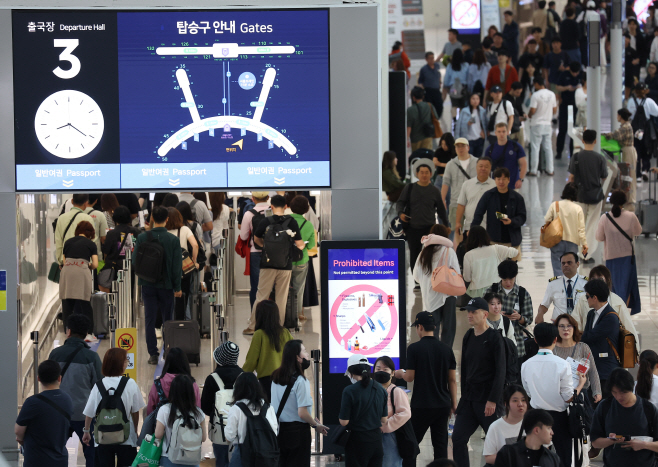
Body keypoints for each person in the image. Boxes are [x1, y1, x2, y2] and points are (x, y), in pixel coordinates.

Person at [394, 312, 457, 464]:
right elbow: (452, 380)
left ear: (420, 327)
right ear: (434, 327)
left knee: (412, 444)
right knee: (440, 445)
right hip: (442, 404)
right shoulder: (446, 349)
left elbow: (409, 377)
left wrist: (399, 373)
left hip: (421, 405)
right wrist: (453, 404)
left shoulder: (414, 348)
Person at [521, 322, 586, 467]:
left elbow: (528, 392)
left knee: (533, 458)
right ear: (555, 339)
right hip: (559, 418)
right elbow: (569, 396)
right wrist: (581, 384)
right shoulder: (562, 364)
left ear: (535, 340)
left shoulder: (526, 365)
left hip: (535, 416)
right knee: (564, 458)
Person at [452, 297, 506, 467]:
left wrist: (493, 399)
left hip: (487, 400)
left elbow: (500, 372)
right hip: (469, 398)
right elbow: (465, 369)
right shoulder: (468, 335)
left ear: (484, 314)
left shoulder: (494, 338)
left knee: (496, 443)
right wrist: (462, 396)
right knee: (458, 438)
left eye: (473, 312)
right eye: (468, 311)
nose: (469, 315)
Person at [49, 315, 102, 467]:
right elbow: (98, 386)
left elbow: (49, 381)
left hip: (59, 412)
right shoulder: (91, 356)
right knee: (91, 453)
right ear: (86, 334)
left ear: (69, 331)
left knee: (55, 450)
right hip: (85, 414)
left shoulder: (55, 354)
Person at [245, 195, 304, 332]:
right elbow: (300, 244)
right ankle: (278, 327)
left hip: (267, 264)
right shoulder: (292, 221)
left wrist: (267, 246)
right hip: (285, 265)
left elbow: (256, 240)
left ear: (271, 206)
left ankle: (253, 326)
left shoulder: (265, 221)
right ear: (285, 207)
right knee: (281, 298)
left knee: (261, 296)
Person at [132, 205, 183, 365]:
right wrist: (178, 287)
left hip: (147, 283)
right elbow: (176, 267)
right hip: (166, 285)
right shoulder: (173, 240)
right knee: (168, 318)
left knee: (149, 318)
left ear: (152, 218)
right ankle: (168, 351)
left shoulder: (142, 238)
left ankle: (152, 354)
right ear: (167, 219)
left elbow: (135, 261)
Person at [82, 348, 146, 467]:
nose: (127, 363)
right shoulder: (130, 383)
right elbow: (135, 411)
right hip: (126, 438)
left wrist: (86, 431)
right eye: (126, 360)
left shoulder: (98, 385)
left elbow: (89, 412)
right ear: (121, 365)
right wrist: (135, 430)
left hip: (102, 437)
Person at [271, 340, 328, 467]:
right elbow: (302, 413)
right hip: (298, 433)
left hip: (279, 430)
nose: (307, 355)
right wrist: (315, 425)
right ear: (298, 358)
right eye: (305, 351)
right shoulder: (301, 381)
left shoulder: (275, 377)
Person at [590, 368, 658, 465]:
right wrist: (611, 441)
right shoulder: (605, 407)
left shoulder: (648, 409)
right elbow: (595, 442)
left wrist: (644, 445)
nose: (618, 397)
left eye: (623, 392)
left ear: (631, 388)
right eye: (614, 392)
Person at [15, 360, 73, 467]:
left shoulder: (32, 402)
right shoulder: (68, 399)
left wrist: (22, 441)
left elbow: (18, 431)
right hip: (60, 460)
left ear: (38, 379)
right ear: (59, 378)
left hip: (36, 459)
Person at [596, 190, 642, 315]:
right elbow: (638, 231)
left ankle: (615, 314)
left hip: (611, 258)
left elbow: (599, 237)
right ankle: (624, 314)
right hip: (627, 258)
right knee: (626, 287)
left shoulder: (605, 218)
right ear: (624, 202)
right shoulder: (631, 216)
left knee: (613, 288)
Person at [396, 162, 449, 273]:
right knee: (414, 254)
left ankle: (428, 277)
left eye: (426, 173)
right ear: (417, 174)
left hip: (429, 228)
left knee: (430, 255)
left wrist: (446, 224)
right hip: (412, 228)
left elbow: (441, 210)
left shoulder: (434, 191)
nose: (424, 175)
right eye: (421, 172)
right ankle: (416, 281)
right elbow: (400, 202)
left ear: (430, 174)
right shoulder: (409, 188)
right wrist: (400, 213)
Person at [571, 266, 639, 350]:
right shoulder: (584, 300)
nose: (596, 282)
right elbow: (575, 323)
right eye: (593, 279)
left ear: (607, 280)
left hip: (610, 350)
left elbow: (629, 328)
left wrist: (636, 352)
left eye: (600, 279)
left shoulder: (617, 302)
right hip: (589, 349)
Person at [413, 225, 460, 347]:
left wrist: (428, 281)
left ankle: (433, 353)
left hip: (430, 295)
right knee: (448, 328)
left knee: (432, 327)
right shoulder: (449, 251)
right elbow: (457, 274)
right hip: (448, 294)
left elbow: (416, 276)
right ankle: (446, 353)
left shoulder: (424, 253)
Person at [339, 354, 389, 467]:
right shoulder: (381, 389)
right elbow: (384, 419)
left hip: (357, 442)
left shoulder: (349, 391)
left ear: (351, 372)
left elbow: (343, 422)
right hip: (376, 441)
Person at [568, 129, 609, 260]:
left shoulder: (576, 157)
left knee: (580, 224)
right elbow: (604, 176)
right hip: (595, 196)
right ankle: (586, 254)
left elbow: (571, 177)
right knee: (592, 225)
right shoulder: (600, 158)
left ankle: (580, 251)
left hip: (579, 195)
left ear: (583, 141)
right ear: (595, 141)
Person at [201, 342, 243, 467]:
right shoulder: (243, 377)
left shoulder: (212, 378)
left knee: (221, 461)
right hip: (240, 430)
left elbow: (205, 407)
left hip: (219, 430)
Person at [224, 372, 279, 467]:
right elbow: (274, 432)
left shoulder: (236, 409)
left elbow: (229, 437)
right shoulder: (269, 407)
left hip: (242, 455)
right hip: (266, 455)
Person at [472, 167, 527, 259]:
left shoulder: (517, 198)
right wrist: (473, 230)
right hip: (493, 240)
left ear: (509, 180)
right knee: (494, 269)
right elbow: (478, 214)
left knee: (511, 269)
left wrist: (511, 221)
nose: (501, 182)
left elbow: (522, 217)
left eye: (504, 179)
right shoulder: (488, 196)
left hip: (512, 241)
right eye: (498, 179)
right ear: (495, 180)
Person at [243, 300, 293, 401]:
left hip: (266, 381)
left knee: (269, 411)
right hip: (285, 379)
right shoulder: (285, 332)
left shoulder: (259, 334)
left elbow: (251, 361)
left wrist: (241, 376)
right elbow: (294, 353)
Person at [485, 260, 534, 361]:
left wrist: (519, 318)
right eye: (504, 279)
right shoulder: (491, 291)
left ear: (516, 275)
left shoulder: (523, 293)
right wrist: (496, 314)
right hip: (492, 346)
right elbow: (482, 314)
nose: (508, 282)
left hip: (517, 345)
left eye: (511, 279)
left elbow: (528, 319)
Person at [154, 374, 207, 467]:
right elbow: (203, 438)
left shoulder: (165, 410)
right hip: (192, 458)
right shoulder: (198, 412)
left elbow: (158, 435)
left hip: (169, 458)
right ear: (191, 392)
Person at [581, 279, 621, 399]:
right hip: (592, 368)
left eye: (587, 296)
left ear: (595, 298)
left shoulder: (611, 318)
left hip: (606, 370)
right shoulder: (591, 314)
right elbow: (585, 339)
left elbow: (589, 337)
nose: (586, 299)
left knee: (605, 406)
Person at [60, 220, 98, 337]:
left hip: (67, 272)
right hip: (82, 271)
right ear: (90, 233)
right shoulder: (91, 244)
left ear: (77, 231)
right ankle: (89, 333)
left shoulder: (68, 242)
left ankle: (68, 331)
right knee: (85, 304)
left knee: (67, 305)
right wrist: (88, 266)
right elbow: (95, 264)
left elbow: (64, 261)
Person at [554, 313, 602, 405]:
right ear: (557, 328)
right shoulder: (553, 348)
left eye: (569, 326)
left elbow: (593, 371)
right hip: (558, 394)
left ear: (574, 328)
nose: (565, 329)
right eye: (561, 326)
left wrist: (597, 391)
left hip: (580, 393)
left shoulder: (583, 347)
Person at [373, 356, 411, 467]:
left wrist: (386, 425)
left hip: (389, 436)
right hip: (371, 434)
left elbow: (405, 413)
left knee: (390, 463)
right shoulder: (371, 390)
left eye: (385, 370)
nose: (381, 372)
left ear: (393, 373)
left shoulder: (396, 391)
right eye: (378, 369)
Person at [543, 183, 587, 278]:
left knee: (558, 268)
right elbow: (581, 229)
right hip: (572, 243)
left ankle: (560, 289)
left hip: (557, 241)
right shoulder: (578, 208)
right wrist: (584, 245)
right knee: (571, 270)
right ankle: (570, 289)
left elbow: (546, 219)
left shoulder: (555, 205)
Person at [463, 226, 518, 298]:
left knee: (480, 309)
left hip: (477, 291)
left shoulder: (468, 255)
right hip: (496, 289)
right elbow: (516, 252)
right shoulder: (496, 249)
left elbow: (467, 278)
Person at [493, 409, 561, 467]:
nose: (552, 432)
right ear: (536, 430)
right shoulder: (508, 453)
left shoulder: (553, 458)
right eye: (549, 428)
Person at [442, 137, 478, 244]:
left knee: (474, 230)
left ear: (468, 147)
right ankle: (458, 257)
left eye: (463, 146)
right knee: (457, 231)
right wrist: (442, 199)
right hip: (455, 203)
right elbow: (445, 183)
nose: (460, 148)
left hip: (473, 202)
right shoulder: (450, 164)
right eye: (458, 146)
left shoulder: (477, 162)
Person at [482, 384, 529, 465]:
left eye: (523, 400)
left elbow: (545, 449)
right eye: (515, 400)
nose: (520, 404)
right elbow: (488, 458)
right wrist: (515, 459)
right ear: (506, 404)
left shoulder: (533, 424)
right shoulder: (496, 427)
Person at [239, 191, 270, 310]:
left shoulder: (248, 214)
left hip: (255, 252)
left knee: (256, 286)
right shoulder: (272, 212)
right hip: (272, 252)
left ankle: (255, 316)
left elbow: (243, 237)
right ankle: (271, 315)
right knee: (271, 285)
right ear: (268, 198)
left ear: (253, 199)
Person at [167, 206, 199, 320]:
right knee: (183, 296)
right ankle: (180, 322)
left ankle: (167, 322)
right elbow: (195, 245)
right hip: (183, 268)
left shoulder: (164, 231)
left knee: (167, 297)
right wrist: (193, 261)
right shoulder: (184, 229)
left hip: (167, 268)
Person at [98, 206, 141, 293]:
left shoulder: (111, 233)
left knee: (116, 294)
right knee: (131, 293)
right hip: (133, 269)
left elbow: (106, 251)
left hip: (115, 269)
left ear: (115, 218)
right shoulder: (137, 232)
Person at [147, 347, 201, 415]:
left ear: (167, 364)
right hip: (186, 424)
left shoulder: (158, 384)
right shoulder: (192, 384)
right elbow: (198, 410)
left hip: (161, 424)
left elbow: (150, 410)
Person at [537, 252, 588, 323]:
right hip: (559, 325)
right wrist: (540, 314)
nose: (566, 265)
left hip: (579, 324)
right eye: (563, 263)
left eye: (569, 263)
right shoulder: (553, 283)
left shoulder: (586, 283)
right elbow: (544, 304)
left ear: (577, 264)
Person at [289, 195, 316, 323]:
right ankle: (298, 314)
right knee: (299, 289)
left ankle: (284, 314)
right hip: (301, 259)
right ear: (306, 209)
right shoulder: (309, 225)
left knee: (283, 288)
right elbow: (311, 246)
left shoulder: (284, 221)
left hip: (285, 260)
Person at [455, 157, 495, 237]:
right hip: (470, 227)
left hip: (490, 228)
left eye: (486, 166)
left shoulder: (495, 185)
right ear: (476, 167)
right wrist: (458, 222)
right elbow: (461, 204)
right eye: (480, 166)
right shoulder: (467, 184)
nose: (483, 168)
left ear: (490, 168)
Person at [626, 82, 658, 182]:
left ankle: (638, 175)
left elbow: (629, 115)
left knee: (637, 150)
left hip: (635, 129)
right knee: (647, 149)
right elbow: (656, 112)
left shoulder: (631, 101)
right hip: (647, 129)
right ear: (645, 91)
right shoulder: (649, 101)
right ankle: (645, 170)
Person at [527, 76, 557, 176]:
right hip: (548, 124)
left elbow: (532, 110)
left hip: (537, 124)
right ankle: (550, 170)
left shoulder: (535, 95)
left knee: (535, 148)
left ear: (536, 84)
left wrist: (529, 115)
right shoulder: (552, 94)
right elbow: (554, 110)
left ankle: (533, 170)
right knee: (548, 148)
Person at [484, 124, 528, 190]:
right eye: (499, 132)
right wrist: (489, 182)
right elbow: (487, 167)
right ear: (495, 133)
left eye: (503, 131)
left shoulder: (515, 146)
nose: (501, 134)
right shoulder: (490, 149)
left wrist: (520, 179)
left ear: (507, 132)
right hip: (496, 186)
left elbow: (523, 163)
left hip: (513, 184)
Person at [55, 193, 95, 265]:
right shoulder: (88, 218)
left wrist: (60, 261)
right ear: (86, 203)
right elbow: (92, 241)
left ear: (72, 201)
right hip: (84, 261)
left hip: (66, 261)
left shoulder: (61, 218)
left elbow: (58, 242)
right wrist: (90, 262)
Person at [556, 61, 582, 159]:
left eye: (577, 72)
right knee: (562, 129)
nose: (575, 74)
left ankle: (573, 152)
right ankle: (559, 151)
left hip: (576, 107)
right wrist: (567, 88)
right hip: (565, 106)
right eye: (573, 72)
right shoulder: (564, 75)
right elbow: (558, 87)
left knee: (573, 130)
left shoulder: (582, 75)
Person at [407, 86, 438, 151]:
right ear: (423, 96)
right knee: (427, 158)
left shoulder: (410, 110)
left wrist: (407, 139)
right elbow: (436, 117)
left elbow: (409, 127)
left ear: (413, 97)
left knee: (417, 159)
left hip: (415, 139)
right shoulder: (429, 105)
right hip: (428, 137)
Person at [418, 53, 443, 120]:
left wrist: (440, 82)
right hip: (428, 91)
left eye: (433, 57)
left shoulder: (437, 66)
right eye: (430, 58)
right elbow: (420, 81)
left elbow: (439, 75)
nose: (432, 60)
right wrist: (422, 89)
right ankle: (431, 120)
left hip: (437, 90)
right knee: (430, 107)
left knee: (439, 105)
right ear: (426, 59)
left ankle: (437, 118)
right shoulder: (424, 69)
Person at [209, 192, 230, 259]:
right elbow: (226, 227)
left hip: (208, 241)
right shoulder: (225, 208)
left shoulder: (207, 208)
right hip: (220, 240)